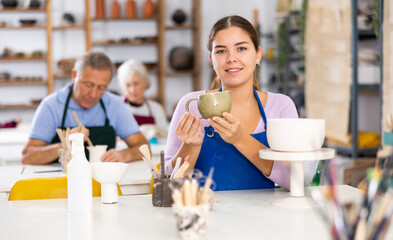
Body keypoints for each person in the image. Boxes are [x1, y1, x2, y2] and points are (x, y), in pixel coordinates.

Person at [164, 15, 316, 191]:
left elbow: (296, 181)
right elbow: (167, 182)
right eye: (221, 51)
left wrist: (241, 139)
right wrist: (190, 146)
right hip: (205, 214)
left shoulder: (281, 106)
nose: (231, 58)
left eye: (241, 48)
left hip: (264, 216)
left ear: (258, 55)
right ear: (211, 59)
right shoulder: (191, 105)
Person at [22, 52, 148, 165]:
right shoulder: (52, 105)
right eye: (88, 85)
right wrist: (64, 145)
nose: (93, 94)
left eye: (101, 88)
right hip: (60, 181)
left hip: (102, 180)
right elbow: (27, 156)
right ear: (74, 76)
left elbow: (144, 148)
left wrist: (124, 155)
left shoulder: (115, 105)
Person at [117, 59, 168, 131]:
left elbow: (164, 137)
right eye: (128, 85)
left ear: (145, 83)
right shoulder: (116, 107)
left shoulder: (156, 109)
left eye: (136, 83)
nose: (132, 90)